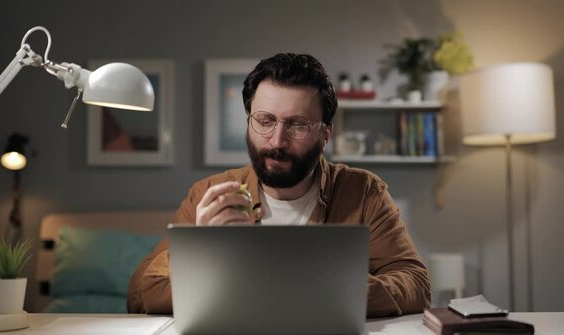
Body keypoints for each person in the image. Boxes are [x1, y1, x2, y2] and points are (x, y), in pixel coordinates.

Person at [128, 53, 431, 317]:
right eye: (265, 120)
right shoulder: (208, 193)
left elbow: (416, 284)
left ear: (325, 135)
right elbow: (139, 295)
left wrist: (327, 289)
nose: (276, 141)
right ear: (249, 122)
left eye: (297, 125)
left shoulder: (364, 192)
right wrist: (201, 247)